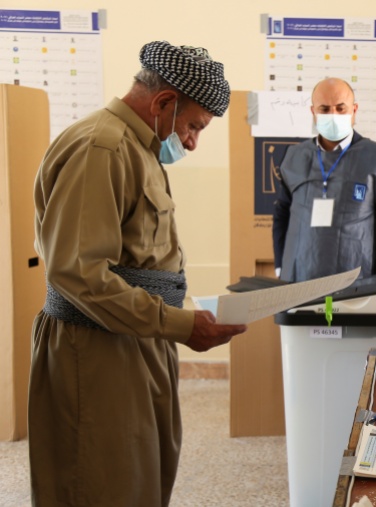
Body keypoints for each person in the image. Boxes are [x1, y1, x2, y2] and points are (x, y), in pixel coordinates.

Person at [29, 41, 247, 506]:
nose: (191, 142)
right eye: (193, 126)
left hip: (137, 337)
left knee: (141, 482)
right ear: (164, 102)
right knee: (100, 485)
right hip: (96, 348)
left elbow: (136, 259)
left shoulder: (138, 147)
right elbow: (80, 273)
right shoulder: (101, 149)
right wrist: (181, 325)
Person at [272, 77, 376, 282]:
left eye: (340, 108)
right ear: (313, 112)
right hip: (298, 281)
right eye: (325, 109)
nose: (333, 115)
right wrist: (280, 266)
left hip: (359, 281)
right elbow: (281, 214)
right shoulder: (294, 157)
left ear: (354, 110)